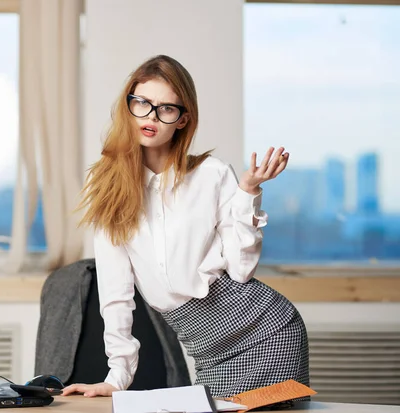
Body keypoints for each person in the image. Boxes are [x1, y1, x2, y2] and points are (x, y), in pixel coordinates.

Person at [62, 55, 309, 398]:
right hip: (207, 348)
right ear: (127, 105)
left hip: (267, 330)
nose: (151, 116)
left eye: (166, 109)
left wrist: (248, 193)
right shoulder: (105, 184)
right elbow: (115, 291)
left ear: (183, 119)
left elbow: (241, 270)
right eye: (142, 103)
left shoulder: (212, 174)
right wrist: (117, 376)